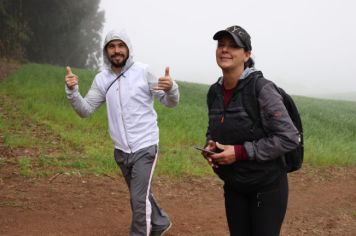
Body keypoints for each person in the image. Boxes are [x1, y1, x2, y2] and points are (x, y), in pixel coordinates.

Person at [64, 29, 179, 236]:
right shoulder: (102, 79)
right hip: (121, 151)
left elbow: (170, 102)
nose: (116, 51)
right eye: (111, 46)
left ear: (128, 48)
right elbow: (85, 110)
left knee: (137, 199)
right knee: (140, 194)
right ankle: (160, 221)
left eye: (120, 46)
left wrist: (171, 89)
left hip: (145, 145)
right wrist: (73, 92)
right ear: (106, 51)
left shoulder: (144, 72)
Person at [201, 25, 300, 236]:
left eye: (233, 46)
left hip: (267, 186)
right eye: (221, 45)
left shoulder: (261, 89)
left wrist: (239, 152)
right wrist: (211, 145)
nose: (225, 50)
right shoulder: (214, 91)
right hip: (234, 184)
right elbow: (215, 128)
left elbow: (289, 137)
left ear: (246, 54)